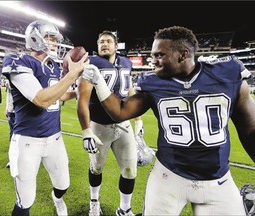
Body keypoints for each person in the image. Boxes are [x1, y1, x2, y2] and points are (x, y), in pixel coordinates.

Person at [82, 26, 255, 215]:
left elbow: (250, 129)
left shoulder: (226, 74)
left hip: (218, 180)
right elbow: (120, 111)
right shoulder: (153, 82)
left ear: (183, 55)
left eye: (159, 55)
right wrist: (98, 81)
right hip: (168, 176)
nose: (152, 60)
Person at [1, 19, 89, 216]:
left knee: (63, 184)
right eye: (49, 37)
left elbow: (57, 95)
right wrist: (72, 75)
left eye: (55, 39)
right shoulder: (17, 61)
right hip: (27, 141)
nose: (54, 42)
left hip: (54, 139)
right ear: (34, 38)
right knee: (25, 201)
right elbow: (41, 99)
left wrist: (77, 92)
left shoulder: (54, 66)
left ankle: (57, 199)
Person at [77, 30, 144, 216]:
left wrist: (138, 119)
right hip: (99, 126)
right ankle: (94, 200)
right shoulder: (92, 63)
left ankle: (124, 209)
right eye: (101, 42)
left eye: (108, 41)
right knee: (96, 168)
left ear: (116, 45)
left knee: (130, 170)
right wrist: (86, 130)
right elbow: (82, 100)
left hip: (123, 125)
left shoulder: (126, 62)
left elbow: (129, 89)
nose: (104, 44)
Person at [5, 79, 15, 168]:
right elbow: (8, 95)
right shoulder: (9, 80)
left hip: (23, 112)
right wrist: (7, 108)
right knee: (12, 135)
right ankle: (12, 160)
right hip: (12, 112)